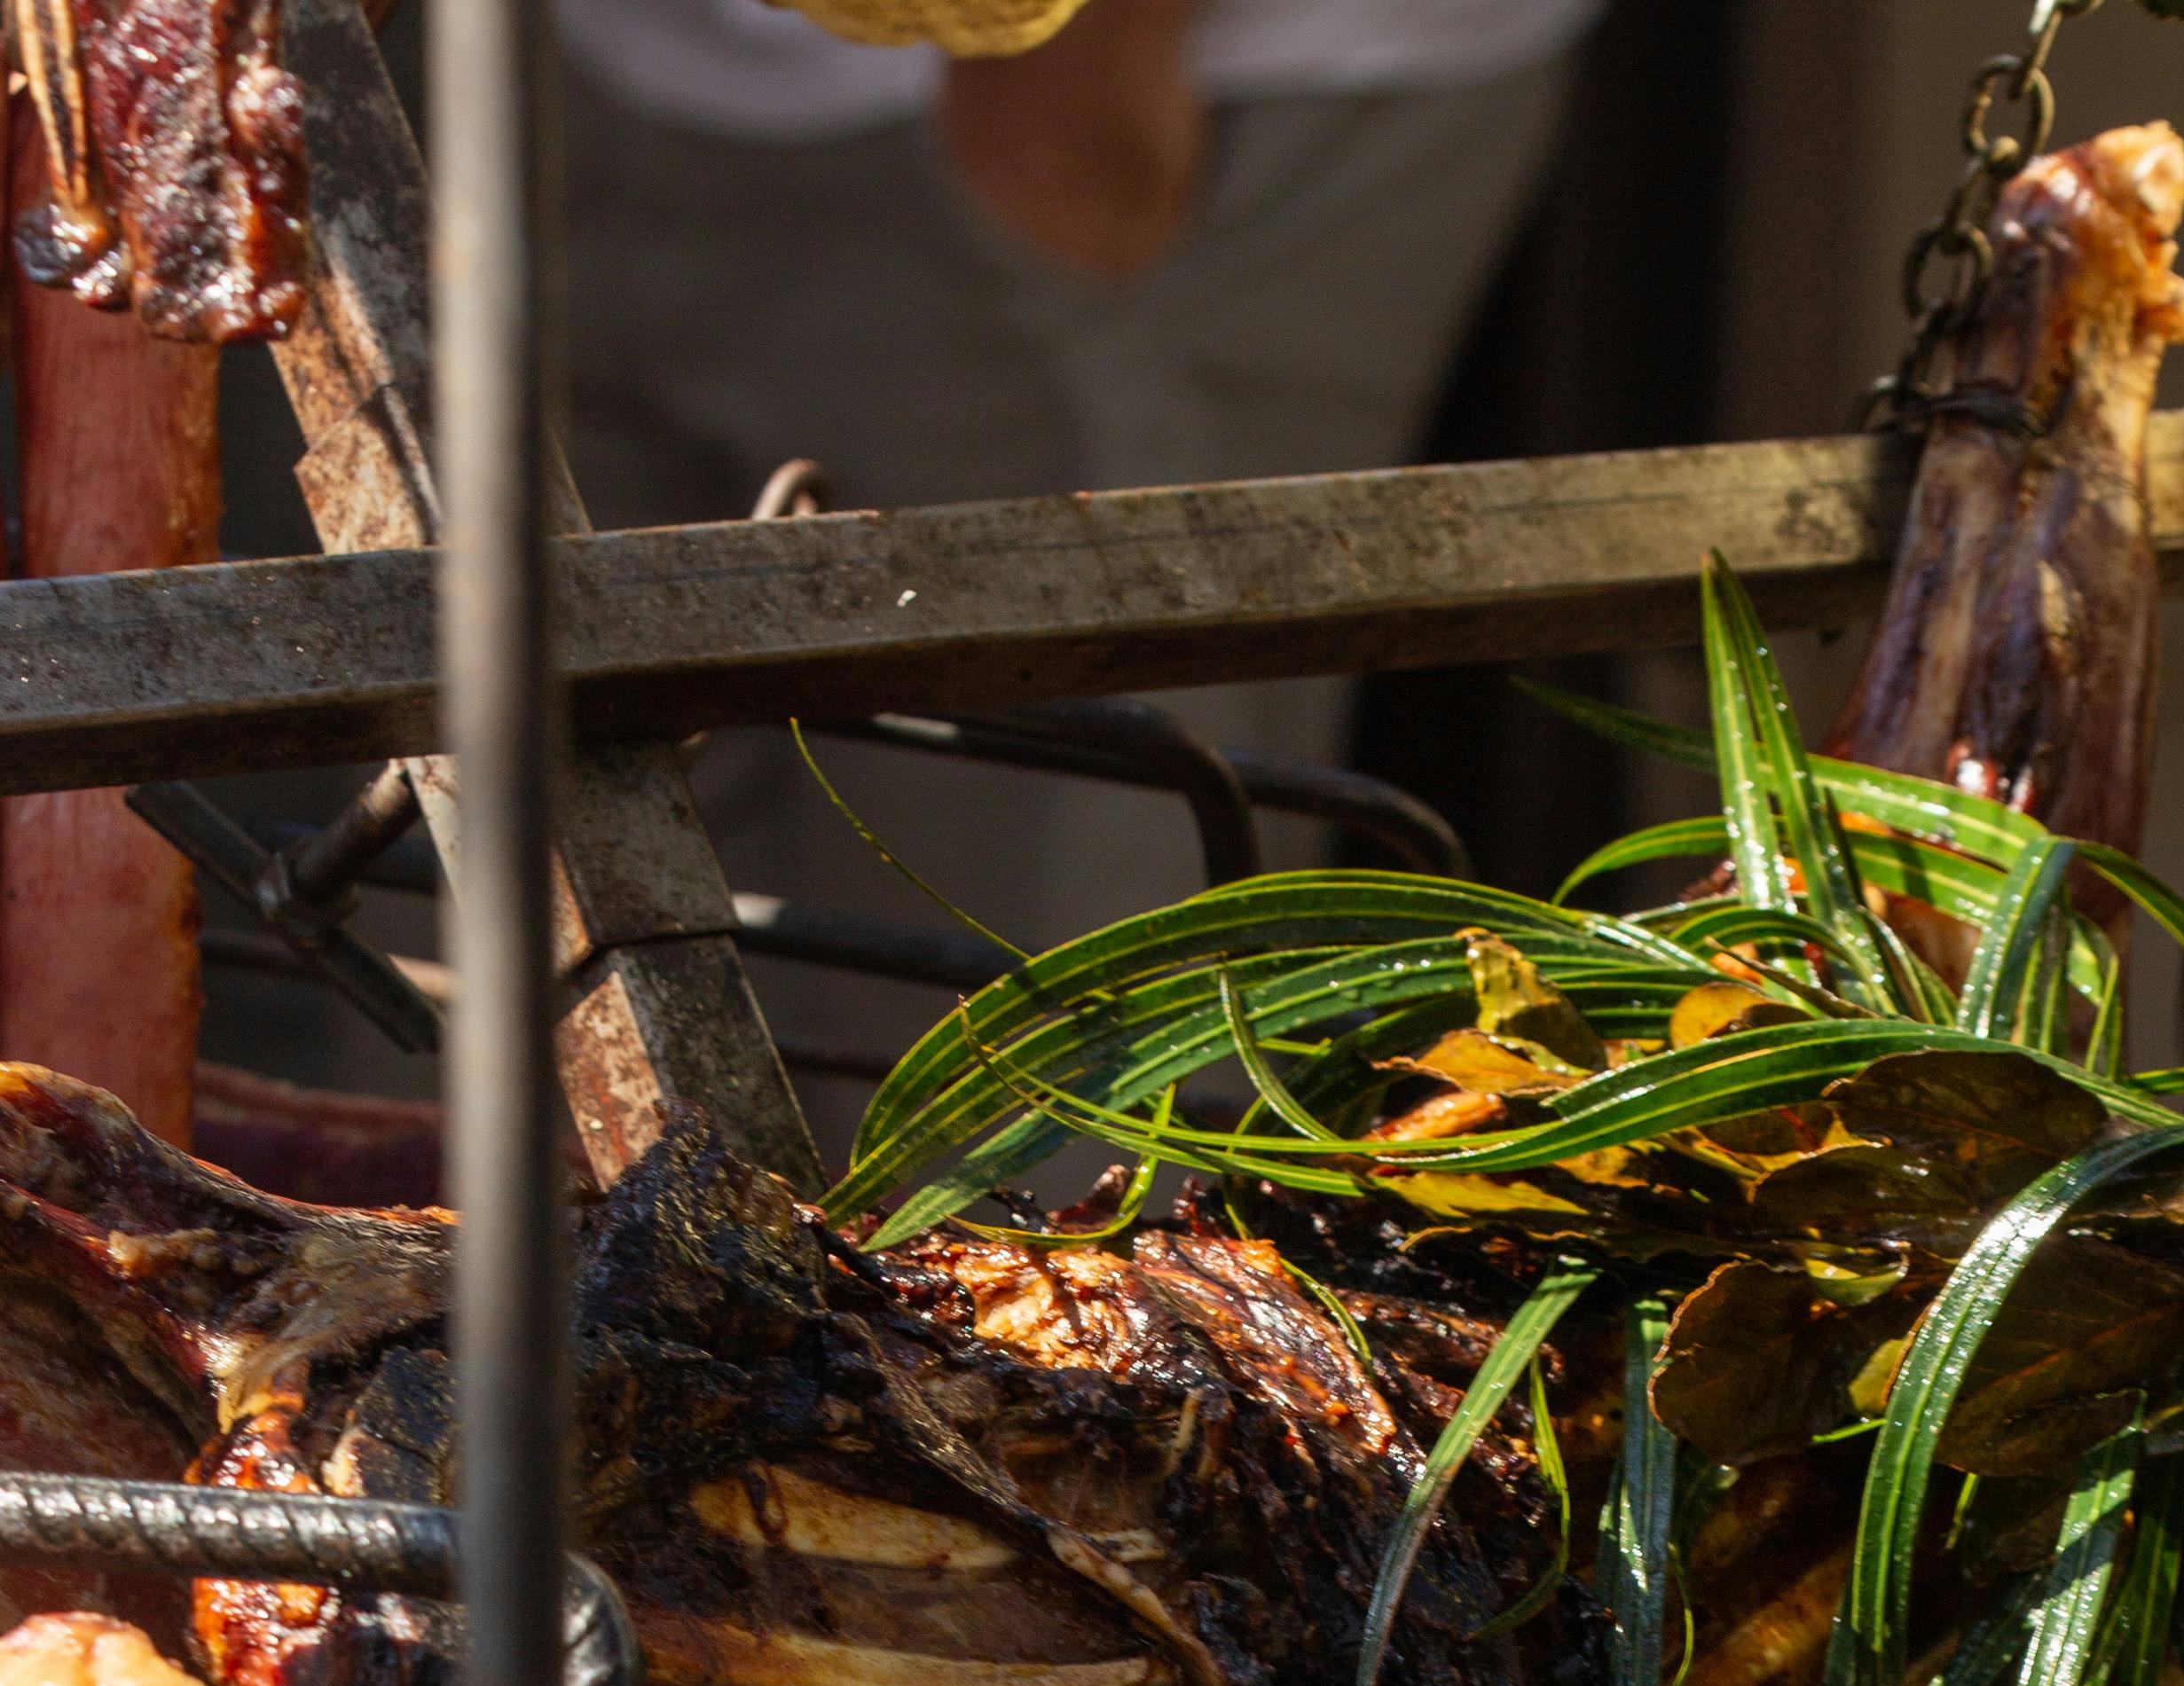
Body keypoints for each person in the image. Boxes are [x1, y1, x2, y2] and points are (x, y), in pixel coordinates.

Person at [555, 0, 1602, 979]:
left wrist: (1070, 81)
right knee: (559, 953)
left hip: (1107, 110)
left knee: (1020, 1005)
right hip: (623, 67)